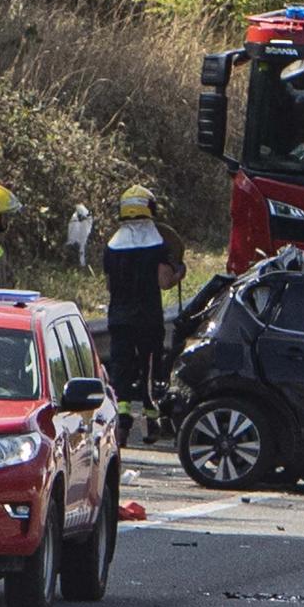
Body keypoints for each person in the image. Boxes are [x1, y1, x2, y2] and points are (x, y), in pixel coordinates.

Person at [103, 185, 180, 446]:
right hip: (148, 318)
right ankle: (152, 423)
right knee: (149, 370)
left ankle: (120, 427)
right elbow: (164, 281)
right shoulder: (157, 244)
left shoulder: (112, 246)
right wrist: (179, 271)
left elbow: (110, 286)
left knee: (120, 371)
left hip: (119, 319)